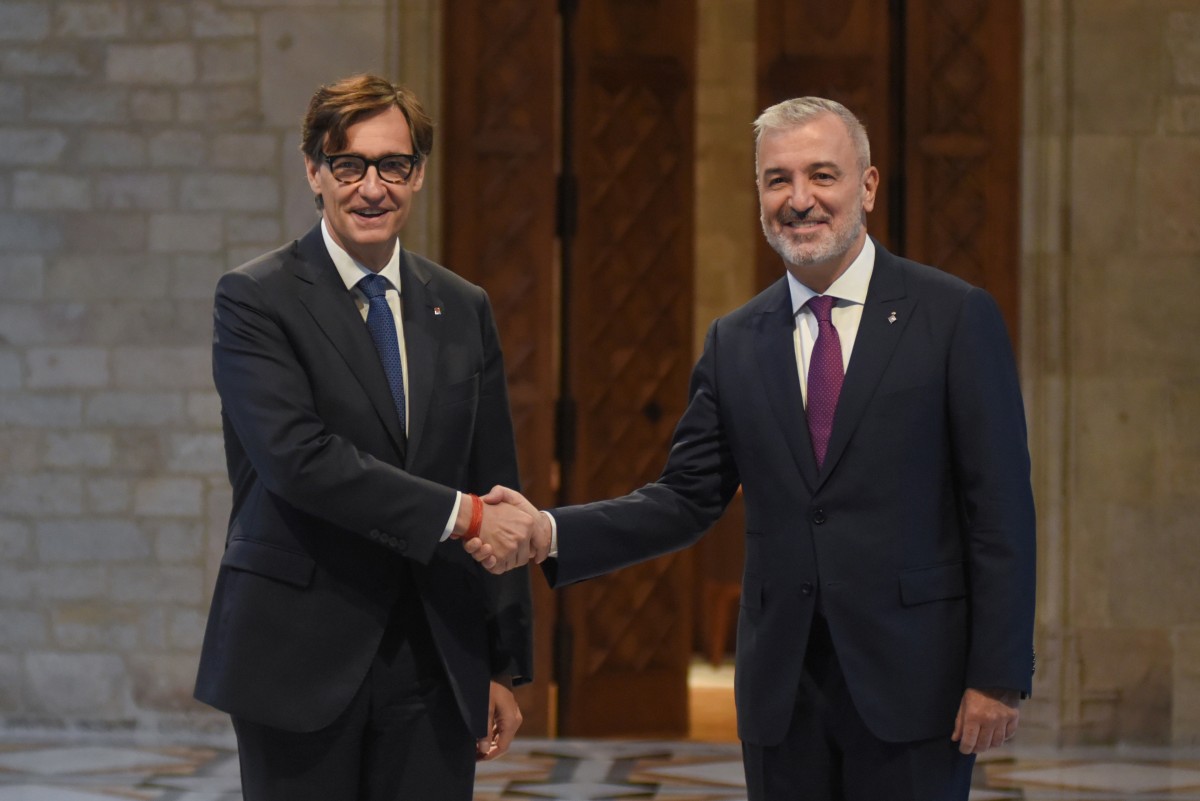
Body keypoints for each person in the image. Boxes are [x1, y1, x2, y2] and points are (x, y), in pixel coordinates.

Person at [471, 97, 1036, 801]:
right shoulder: (736, 341)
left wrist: (998, 673)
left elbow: (1001, 509)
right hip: (782, 695)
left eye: (822, 175)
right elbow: (683, 500)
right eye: (777, 179)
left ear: (866, 186)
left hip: (915, 686)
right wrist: (548, 532)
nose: (799, 199)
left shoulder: (954, 317)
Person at [194, 74, 537, 801]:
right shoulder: (257, 299)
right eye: (348, 165)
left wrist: (503, 662)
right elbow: (299, 459)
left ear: (418, 174)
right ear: (314, 171)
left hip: (434, 658)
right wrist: (462, 514)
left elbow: (494, 475)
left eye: (393, 165)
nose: (371, 187)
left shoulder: (462, 306)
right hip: (298, 654)